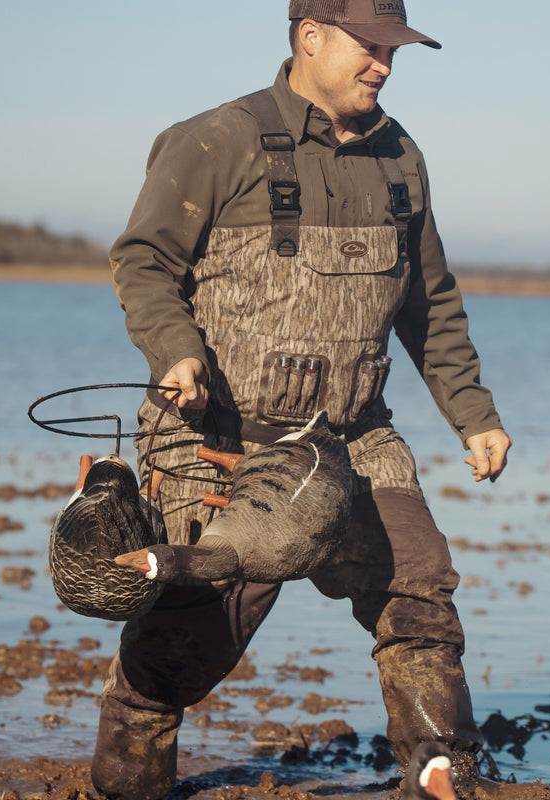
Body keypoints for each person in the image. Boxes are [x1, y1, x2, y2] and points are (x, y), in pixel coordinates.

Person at [95, 2, 513, 799]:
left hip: (357, 440)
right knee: (188, 639)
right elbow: (144, 262)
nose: (384, 65)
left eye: (395, 51)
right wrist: (174, 350)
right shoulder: (214, 140)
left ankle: (441, 773)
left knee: (418, 592)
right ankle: (127, 781)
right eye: (370, 47)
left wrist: (474, 411)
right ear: (308, 36)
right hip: (224, 441)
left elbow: (429, 302)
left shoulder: (401, 158)